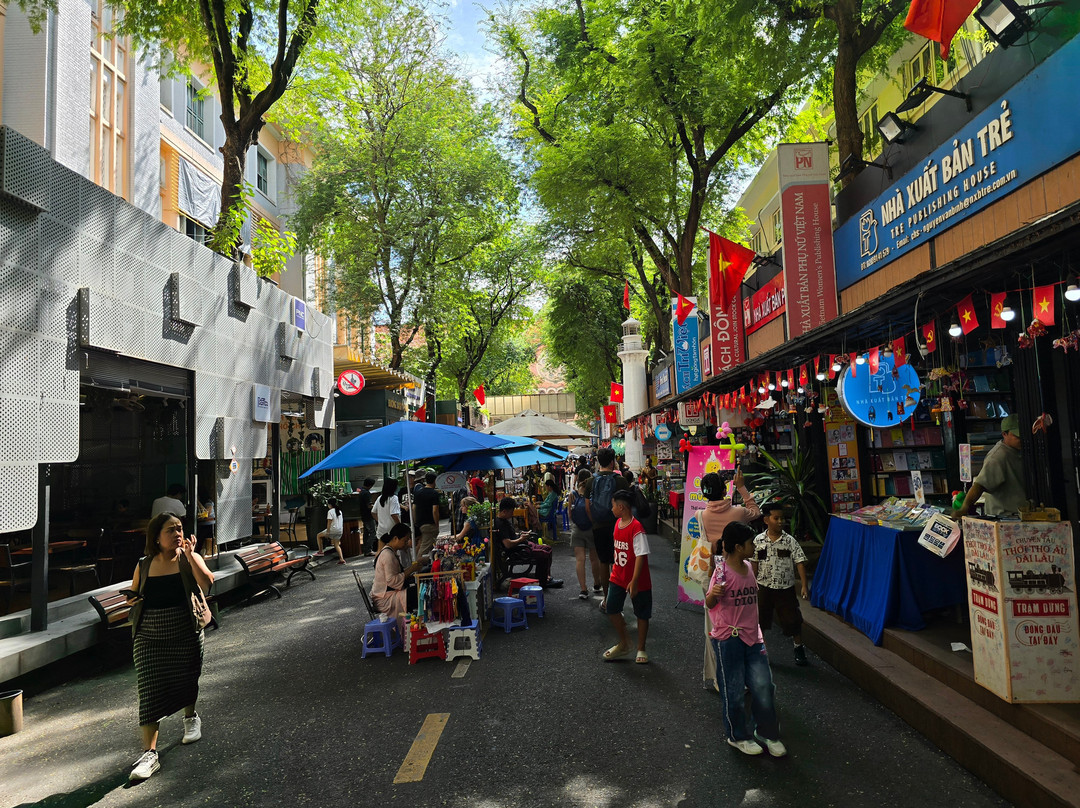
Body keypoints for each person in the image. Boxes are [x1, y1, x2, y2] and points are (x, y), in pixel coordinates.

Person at [125, 512, 215, 781]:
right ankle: (149, 755)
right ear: (156, 536)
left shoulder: (189, 558)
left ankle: (190, 718)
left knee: (187, 678)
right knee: (149, 690)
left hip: (184, 629)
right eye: (170, 530)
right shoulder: (144, 563)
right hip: (148, 635)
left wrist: (190, 556)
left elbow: (207, 584)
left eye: (180, 529)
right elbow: (134, 593)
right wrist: (131, 600)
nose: (177, 534)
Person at [705, 521, 786, 758]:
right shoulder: (722, 572)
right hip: (729, 639)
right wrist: (713, 594)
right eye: (751, 543)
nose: (755, 545)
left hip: (753, 636)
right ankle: (737, 735)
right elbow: (709, 603)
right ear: (739, 547)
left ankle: (767, 733)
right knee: (733, 689)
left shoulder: (750, 567)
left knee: (763, 685)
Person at [691, 469, 760, 690]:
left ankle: (718, 677)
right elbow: (756, 511)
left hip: (712, 574)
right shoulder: (738, 513)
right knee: (741, 623)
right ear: (724, 489)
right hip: (736, 572)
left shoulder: (699, 516)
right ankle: (741, 677)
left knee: (714, 626)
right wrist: (741, 486)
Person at [753, 503, 809, 666]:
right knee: (761, 619)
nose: (780, 521)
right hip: (763, 586)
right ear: (766, 520)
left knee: (792, 619)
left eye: (782, 518)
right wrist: (752, 584)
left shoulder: (789, 541)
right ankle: (760, 650)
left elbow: (799, 562)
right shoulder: (759, 540)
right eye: (775, 518)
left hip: (785, 588)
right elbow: (754, 563)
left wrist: (804, 585)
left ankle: (798, 647)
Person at [601, 490, 652, 664]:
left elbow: (641, 556)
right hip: (618, 576)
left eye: (613, 505)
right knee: (612, 607)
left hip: (638, 579)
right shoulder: (617, 524)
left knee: (642, 613)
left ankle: (641, 648)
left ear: (621, 507)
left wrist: (635, 581)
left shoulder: (637, 527)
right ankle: (624, 643)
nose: (611, 508)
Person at [953, 414, 1026, 519]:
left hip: (1019, 514)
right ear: (1004, 434)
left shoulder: (1017, 450)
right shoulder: (998, 456)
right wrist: (964, 508)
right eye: (1017, 436)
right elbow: (979, 486)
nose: (1021, 439)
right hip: (1005, 517)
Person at [583, 446, 630, 608]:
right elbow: (627, 506)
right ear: (612, 462)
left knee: (604, 561)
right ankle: (619, 599)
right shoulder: (621, 480)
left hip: (599, 527)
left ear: (598, 461)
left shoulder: (590, 481)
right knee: (619, 561)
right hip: (619, 527)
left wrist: (594, 521)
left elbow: (587, 507)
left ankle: (607, 598)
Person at [494, 497, 563, 588]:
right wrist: (521, 539)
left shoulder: (504, 521)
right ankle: (542, 582)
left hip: (522, 545)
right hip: (517, 550)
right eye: (511, 511)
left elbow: (510, 535)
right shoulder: (500, 524)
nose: (513, 513)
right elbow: (508, 544)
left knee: (547, 548)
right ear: (504, 511)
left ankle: (546, 577)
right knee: (543, 554)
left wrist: (520, 534)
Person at [371, 523, 423, 638]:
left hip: (390, 593)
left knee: (421, 589)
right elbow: (392, 581)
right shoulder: (387, 555)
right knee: (420, 593)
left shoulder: (390, 552)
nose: (406, 543)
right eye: (405, 540)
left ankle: (420, 626)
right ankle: (421, 628)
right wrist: (410, 570)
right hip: (385, 598)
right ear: (395, 538)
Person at [569, 469, 602, 600]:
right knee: (594, 559)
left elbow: (570, 514)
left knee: (580, 560)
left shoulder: (573, 494)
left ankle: (583, 589)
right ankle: (596, 583)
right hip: (591, 528)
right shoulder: (593, 493)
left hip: (577, 529)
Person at [413, 472, 441, 560]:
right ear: (435, 481)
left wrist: (415, 521)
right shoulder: (434, 493)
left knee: (425, 544)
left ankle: (428, 565)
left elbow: (414, 508)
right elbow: (435, 510)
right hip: (430, 523)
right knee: (425, 548)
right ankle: (418, 567)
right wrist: (436, 523)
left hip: (420, 523)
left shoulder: (418, 493)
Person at [315, 498, 346, 565]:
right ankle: (341, 559)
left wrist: (328, 532)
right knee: (337, 545)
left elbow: (329, 522)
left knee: (319, 535)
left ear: (330, 505)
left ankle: (320, 551)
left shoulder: (330, 512)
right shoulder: (339, 511)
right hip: (340, 530)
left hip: (332, 530)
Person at [373, 478, 402, 547]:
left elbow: (373, 512)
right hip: (392, 529)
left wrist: (380, 521)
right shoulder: (394, 498)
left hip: (381, 530)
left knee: (380, 550)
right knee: (392, 550)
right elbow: (394, 514)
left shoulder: (379, 498)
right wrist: (400, 526)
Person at [356, 478, 376, 556]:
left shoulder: (361, 492)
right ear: (370, 485)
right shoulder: (366, 493)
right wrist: (376, 506)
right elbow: (369, 505)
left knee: (366, 533)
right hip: (369, 516)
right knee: (373, 532)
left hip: (363, 515)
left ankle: (365, 550)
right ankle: (368, 549)